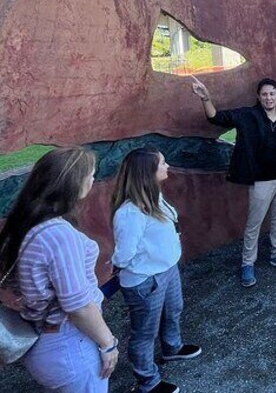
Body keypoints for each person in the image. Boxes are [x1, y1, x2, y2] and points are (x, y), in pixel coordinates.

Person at [0, 147, 118, 392]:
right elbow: (78, 306)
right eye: (90, 175)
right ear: (72, 183)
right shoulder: (58, 235)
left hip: (47, 341)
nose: (93, 179)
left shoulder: (28, 222)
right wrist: (108, 343)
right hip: (69, 343)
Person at [191, 76, 276, 288]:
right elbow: (215, 118)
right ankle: (247, 264)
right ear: (258, 97)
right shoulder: (248, 116)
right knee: (254, 224)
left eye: (272, 94)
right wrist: (206, 98)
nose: (268, 97)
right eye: (264, 94)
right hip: (262, 180)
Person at [111, 148, 202, 393]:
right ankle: (148, 382)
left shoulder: (155, 198)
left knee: (174, 310)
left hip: (167, 270)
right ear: (148, 172)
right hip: (146, 280)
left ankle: (172, 348)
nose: (167, 166)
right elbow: (123, 255)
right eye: (163, 163)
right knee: (144, 332)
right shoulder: (130, 213)